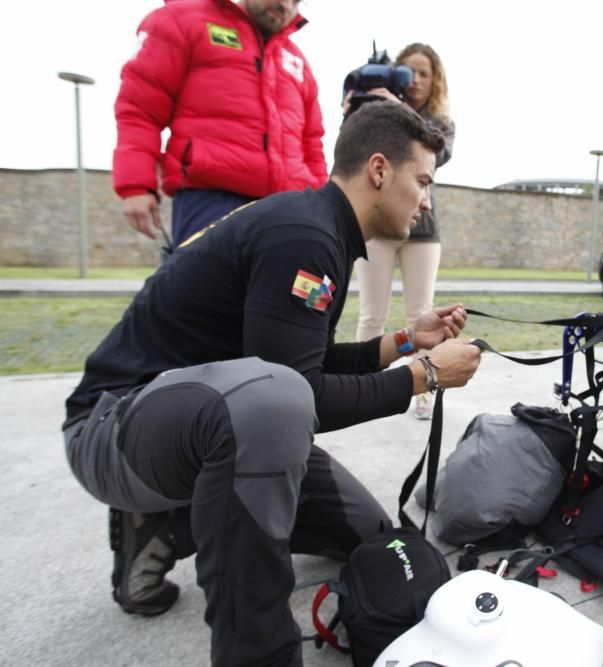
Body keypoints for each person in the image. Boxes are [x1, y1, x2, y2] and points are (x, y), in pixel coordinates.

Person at [62, 102, 482, 666]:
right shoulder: (304, 236)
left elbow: (297, 360)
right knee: (276, 404)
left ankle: (176, 517)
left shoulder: (319, 227)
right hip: (114, 430)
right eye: (424, 182)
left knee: (371, 532)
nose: (427, 201)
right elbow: (299, 393)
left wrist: (407, 342)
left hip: (209, 421)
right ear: (379, 170)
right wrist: (424, 377)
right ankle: (254, 651)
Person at [113, 0, 328, 248]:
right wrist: (135, 185)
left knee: (293, 288)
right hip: (209, 198)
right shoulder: (184, 21)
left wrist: (321, 206)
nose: (286, 5)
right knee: (207, 287)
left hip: (289, 208)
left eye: (296, 1)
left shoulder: (297, 61)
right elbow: (140, 108)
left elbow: (311, 142)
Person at [345, 43, 456, 420]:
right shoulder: (376, 112)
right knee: (371, 313)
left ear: (435, 79)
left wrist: (396, 108)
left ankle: (424, 386)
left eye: (424, 73)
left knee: (421, 311)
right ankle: (357, 387)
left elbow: (437, 154)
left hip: (422, 232)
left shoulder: (440, 122)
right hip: (376, 227)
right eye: (409, 71)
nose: (417, 80)